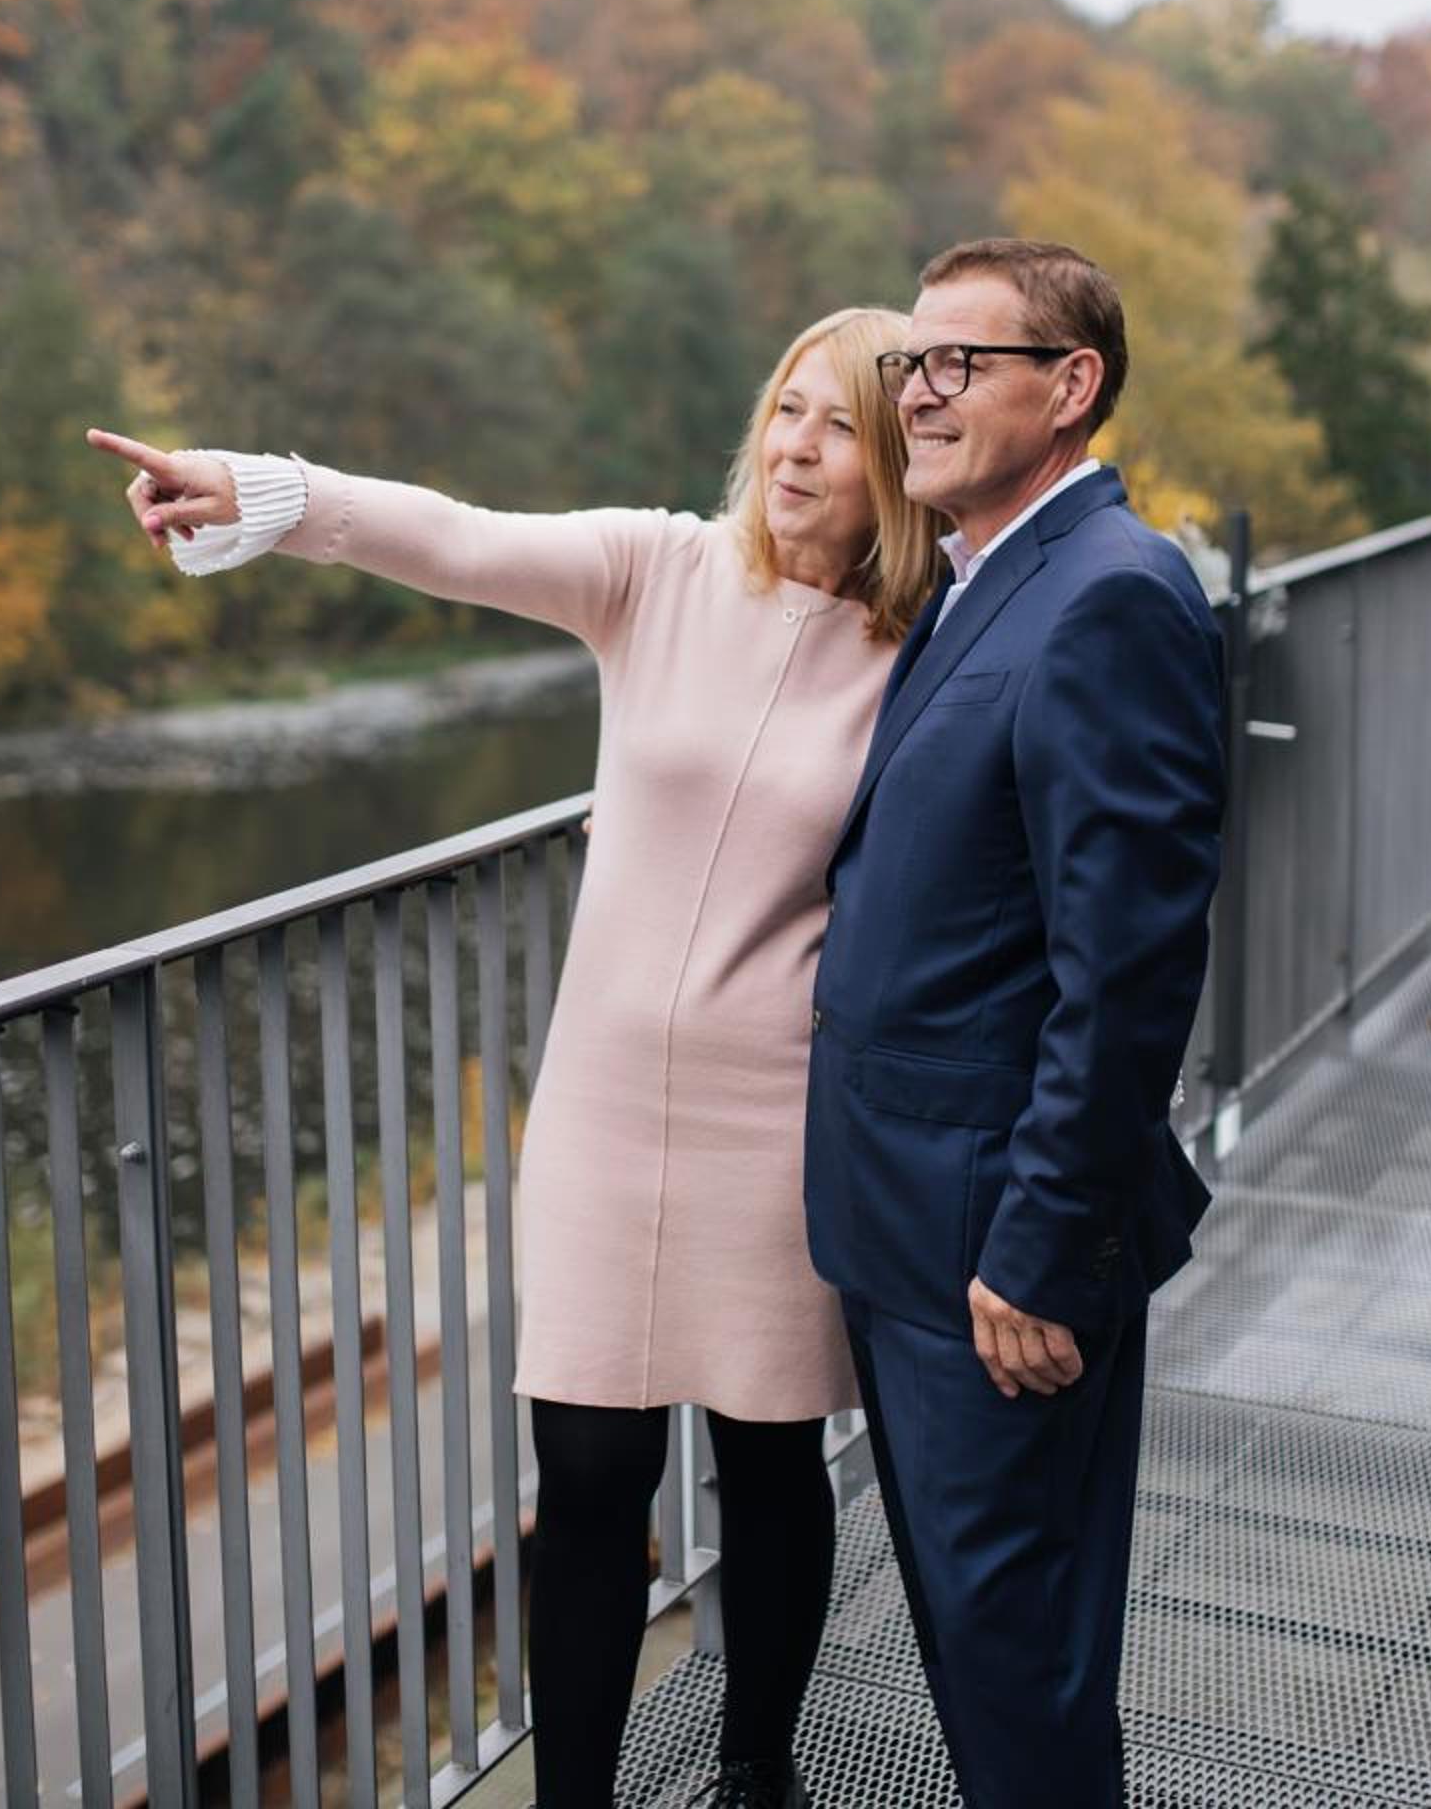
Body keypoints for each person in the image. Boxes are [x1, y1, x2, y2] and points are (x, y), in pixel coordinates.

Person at [89, 305, 938, 1809]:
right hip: (606, 1109)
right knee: (593, 1477)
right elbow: (451, 537)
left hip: (780, 1115)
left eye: (841, 429)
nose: (798, 449)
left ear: (895, 468)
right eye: (787, 410)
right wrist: (258, 491)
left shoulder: (923, 651)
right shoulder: (660, 569)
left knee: (768, 1461)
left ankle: (758, 1768)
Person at [803, 239, 1225, 1808]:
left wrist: (1042, 1247)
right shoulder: (987, 574)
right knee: (981, 1648)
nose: (919, 394)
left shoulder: (1110, 597)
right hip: (912, 1220)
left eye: (958, 364)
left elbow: (1127, 973)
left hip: (994, 1249)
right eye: (911, 364)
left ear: (1070, 386)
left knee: (1015, 1658)